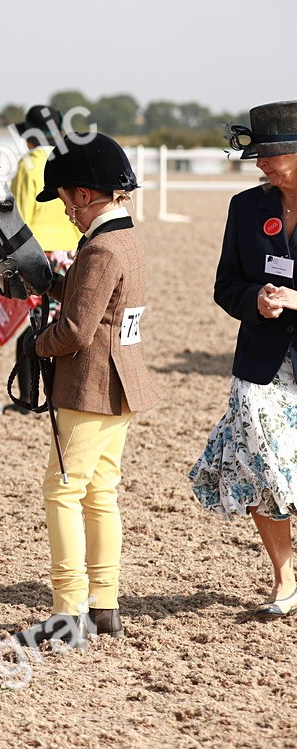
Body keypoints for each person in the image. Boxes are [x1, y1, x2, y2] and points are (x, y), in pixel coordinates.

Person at [15, 131, 164, 647]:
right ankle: (104, 605)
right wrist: (45, 283)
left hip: (89, 388)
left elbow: (76, 330)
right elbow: (92, 302)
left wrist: (35, 346)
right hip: (121, 387)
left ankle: (66, 614)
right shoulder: (125, 240)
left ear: (83, 194)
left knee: (62, 492)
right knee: (101, 495)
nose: (66, 213)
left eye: (63, 201)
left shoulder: (100, 250)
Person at [190, 100, 297, 618]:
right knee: (256, 467)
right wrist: (254, 300)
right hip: (260, 364)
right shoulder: (245, 207)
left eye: (268, 154)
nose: (259, 164)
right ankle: (284, 577)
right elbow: (225, 284)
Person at [10, 106, 82, 409]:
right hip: (71, 250)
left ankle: (28, 398)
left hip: (38, 254)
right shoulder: (72, 161)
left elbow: (17, 216)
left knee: (33, 327)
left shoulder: (28, 165)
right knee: (63, 322)